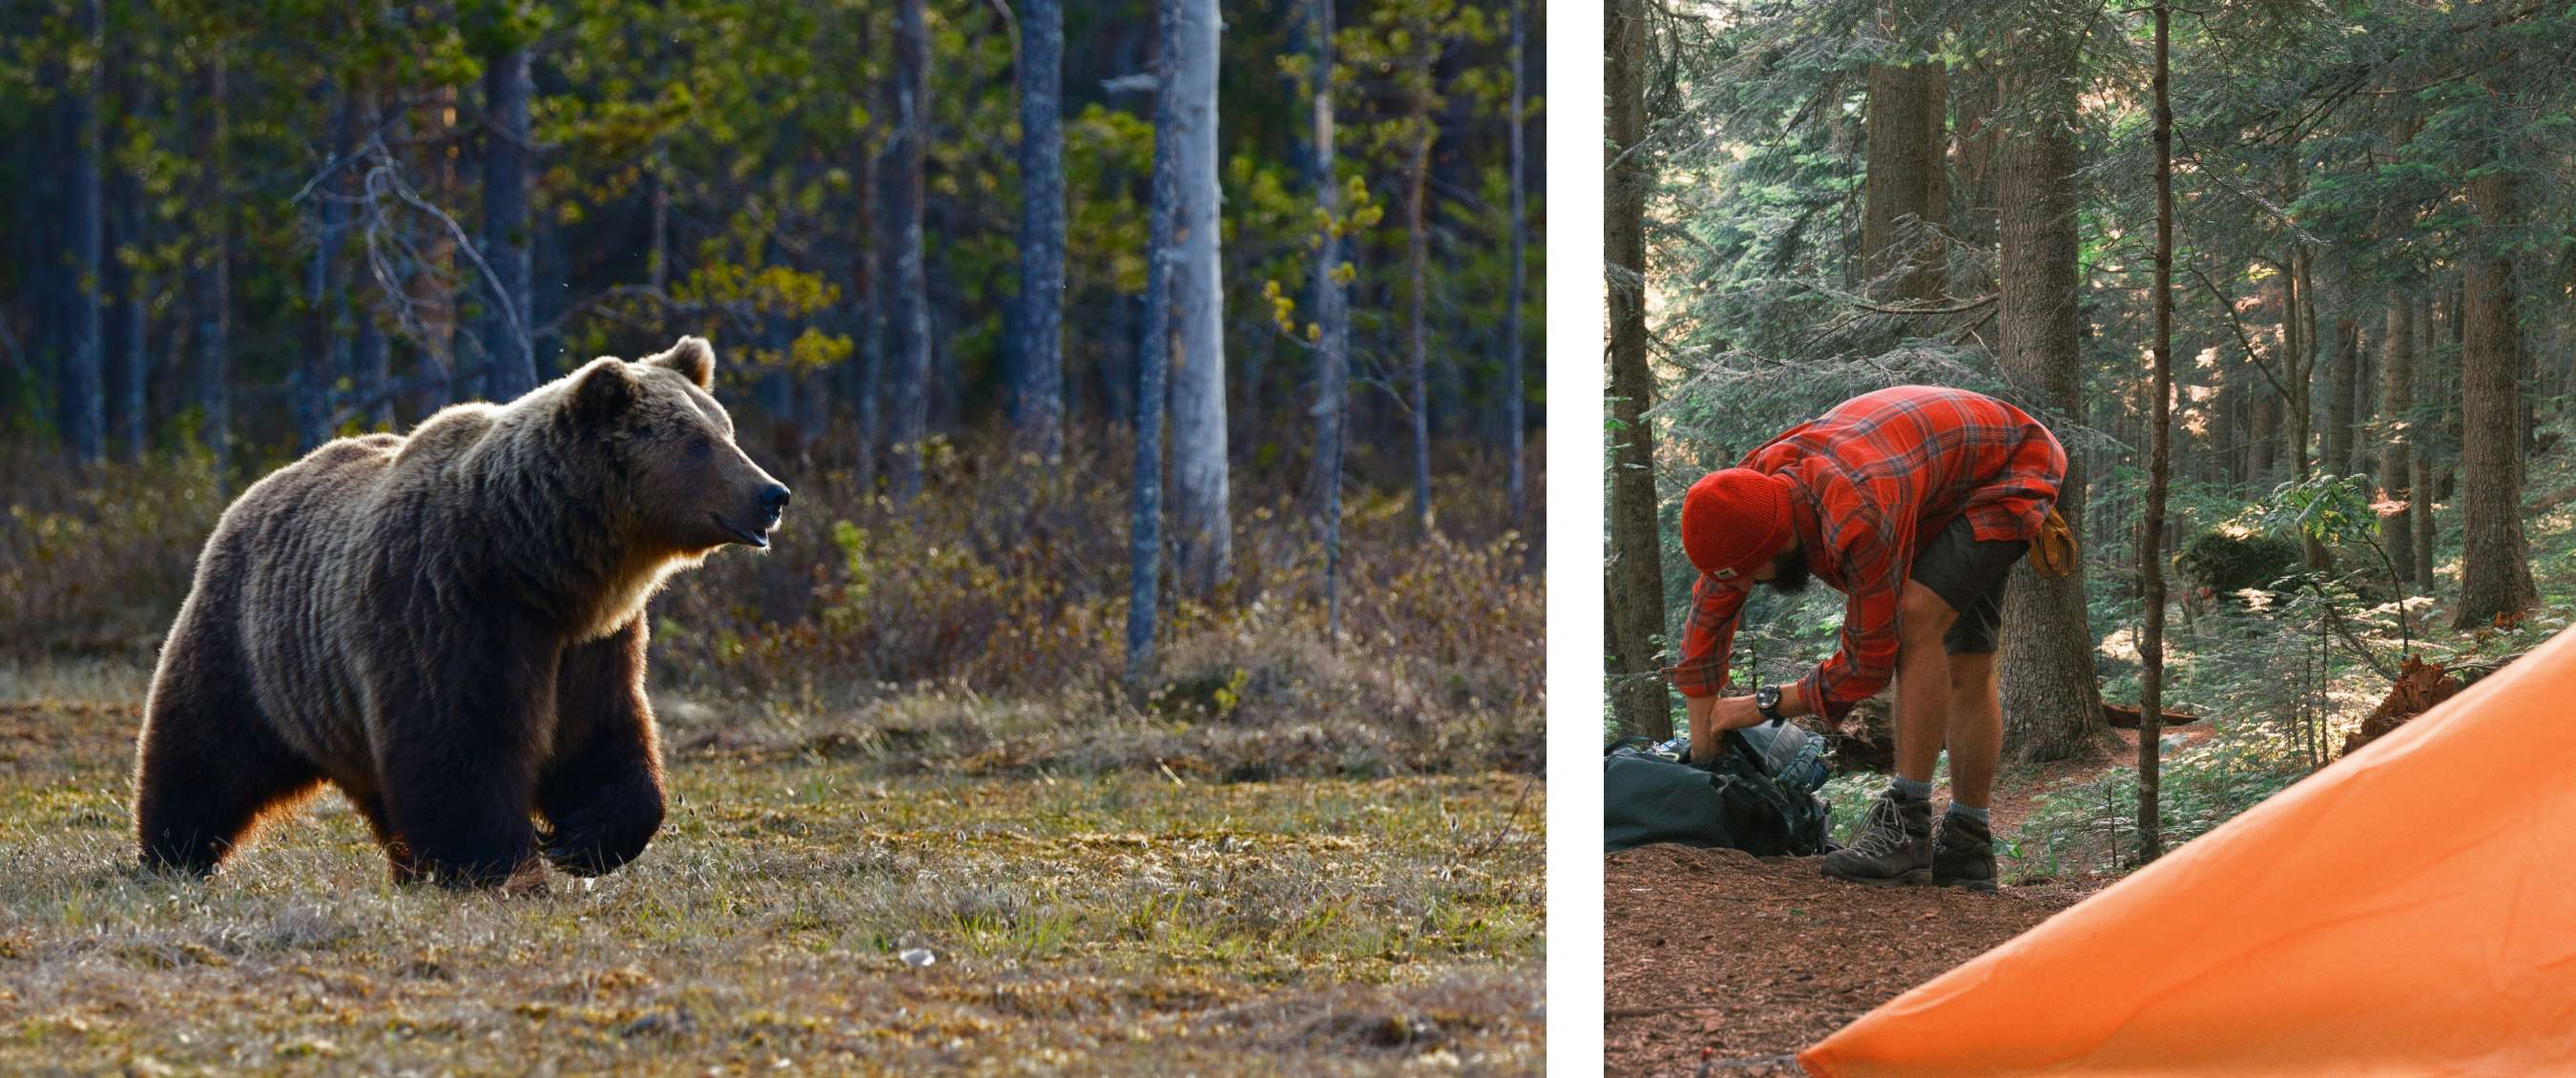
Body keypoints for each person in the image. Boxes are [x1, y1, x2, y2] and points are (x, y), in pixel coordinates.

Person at [1667, 384, 2066, 892]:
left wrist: (1756, 706)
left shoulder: (1858, 513)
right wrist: (1705, 754)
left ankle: (1913, 825)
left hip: (2008, 467)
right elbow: (1709, 620)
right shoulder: (1742, 499)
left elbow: (1868, 663)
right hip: (1929, 476)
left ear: (1779, 542)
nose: (1746, 586)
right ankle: (1969, 851)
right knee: (1959, 659)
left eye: (1751, 574)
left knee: (1918, 622)